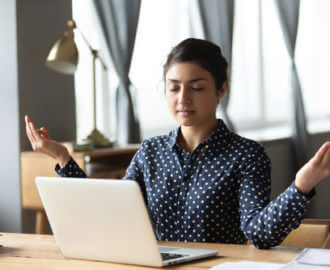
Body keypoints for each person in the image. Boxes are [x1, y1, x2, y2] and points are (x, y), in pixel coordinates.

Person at [25, 38, 330, 249]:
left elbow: (259, 235)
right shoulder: (151, 151)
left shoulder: (246, 155)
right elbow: (110, 213)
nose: (183, 99)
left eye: (197, 88)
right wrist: (63, 158)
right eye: (173, 88)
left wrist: (301, 186)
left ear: (221, 89)